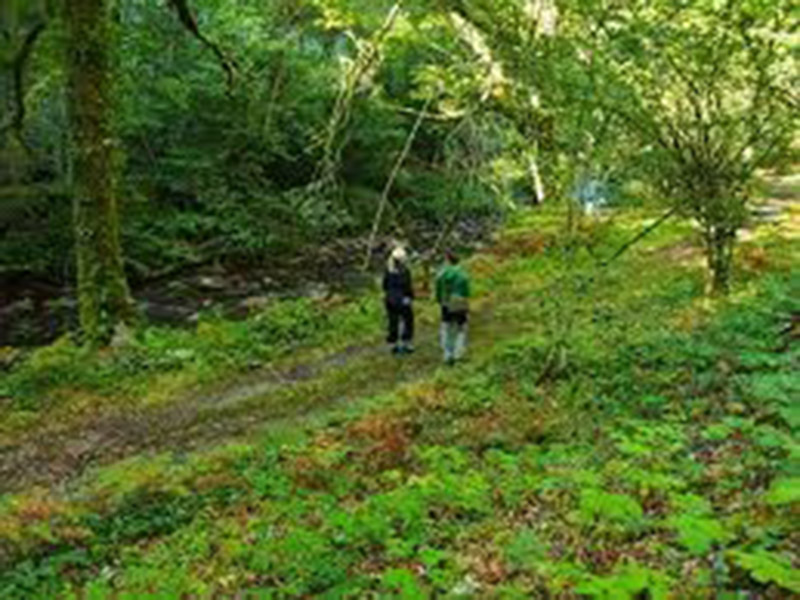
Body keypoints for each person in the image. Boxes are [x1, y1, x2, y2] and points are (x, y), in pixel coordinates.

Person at [436, 250, 470, 364]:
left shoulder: (442, 274)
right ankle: (458, 353)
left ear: (447, 260)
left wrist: (440, 300)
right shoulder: (463, 274)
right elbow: (466, 290)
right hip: (460, 301)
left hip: (446, 302)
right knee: (461, 328)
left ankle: (447, 354)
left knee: (447, 327)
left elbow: (438, 289)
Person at [383, 246, 415, 355]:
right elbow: (408, 287)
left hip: (390, 299)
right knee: (408, 321)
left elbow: (384, 285)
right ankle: (406, 343)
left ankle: (393, 344)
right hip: (402, 300)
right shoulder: (405, 271)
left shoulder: (388, 270)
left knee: (393, 321)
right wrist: (411, 297)